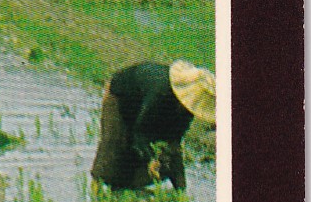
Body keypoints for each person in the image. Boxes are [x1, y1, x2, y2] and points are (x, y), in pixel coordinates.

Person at [90, 60, 216, 191]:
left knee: (166, 156)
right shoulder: (160, 93)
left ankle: (125, 188)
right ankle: (96, 189)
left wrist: (181, 189)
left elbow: (175, 140)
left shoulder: (188, 109)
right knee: (115, 145)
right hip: (122, 95)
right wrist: (151, 159)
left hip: (145, 101)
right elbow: (140, 133)